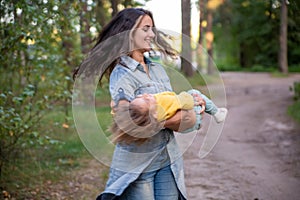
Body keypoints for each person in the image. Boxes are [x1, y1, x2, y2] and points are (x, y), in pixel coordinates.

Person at [74, 8, 206, 200]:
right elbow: (130, 125)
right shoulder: (122, 74)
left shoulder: (159, 70)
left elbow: (181, 118)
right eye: (146, 29)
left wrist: (182, 109)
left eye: (152, 29)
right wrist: (177, 114)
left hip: (167, 159)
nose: (152, 34)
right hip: (137, 164)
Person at [110, 89, 227, 143]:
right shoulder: (162, 107)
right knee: (194, 92)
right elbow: (184, 101)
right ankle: (216, 113)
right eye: (147, 100)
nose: (145, 95)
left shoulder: (149, 115)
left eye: (140, 97)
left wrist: (117, 109)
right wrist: (193, 99)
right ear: (154, 113)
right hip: (193, 117)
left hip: (187, 125)